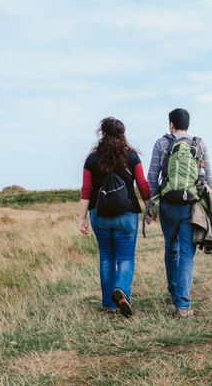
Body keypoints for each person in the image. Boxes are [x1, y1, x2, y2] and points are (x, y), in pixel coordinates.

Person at [78, 117, 151, 318]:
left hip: (98, 215)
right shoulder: (132, 157)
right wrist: (149, 208)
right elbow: (142, 184)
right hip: (126, 215)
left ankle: (109, 303)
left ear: (102, 135)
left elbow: (86, 190)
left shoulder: (91, 160)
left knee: (107, 258)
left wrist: (82, 219)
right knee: (126, 257)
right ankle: (121, 291)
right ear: (122, 135)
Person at [146, 108, 212, 318]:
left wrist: (150, 207)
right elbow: (208, 180)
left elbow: (152, 177)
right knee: (187, 254)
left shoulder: (161, 143)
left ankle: (174, 292)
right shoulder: (199, 144)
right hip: (190, 206)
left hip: (167, 204)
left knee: (170, 249)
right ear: (188, 125)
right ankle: (182, 305)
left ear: (171, 124)